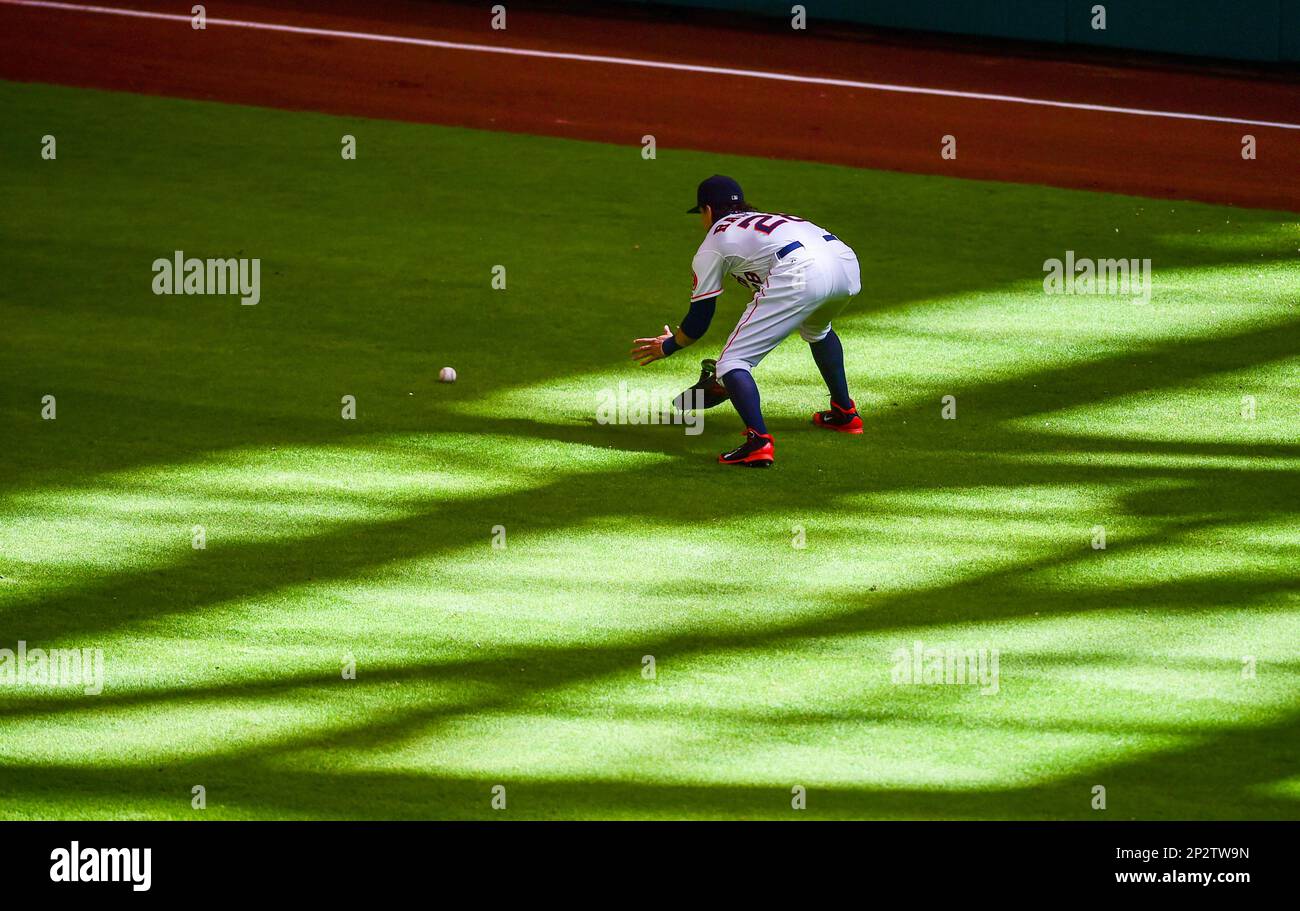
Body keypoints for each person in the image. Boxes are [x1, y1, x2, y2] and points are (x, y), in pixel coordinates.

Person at [631, 175, 863, 467]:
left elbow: (700, 318)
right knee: (817, 328)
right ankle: (844, 413)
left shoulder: (714, 241)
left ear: (708, 210)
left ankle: (758, 443)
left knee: (732, 363)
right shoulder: (765, 220)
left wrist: (669, 346)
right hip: (846, 265)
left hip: (801, 270)